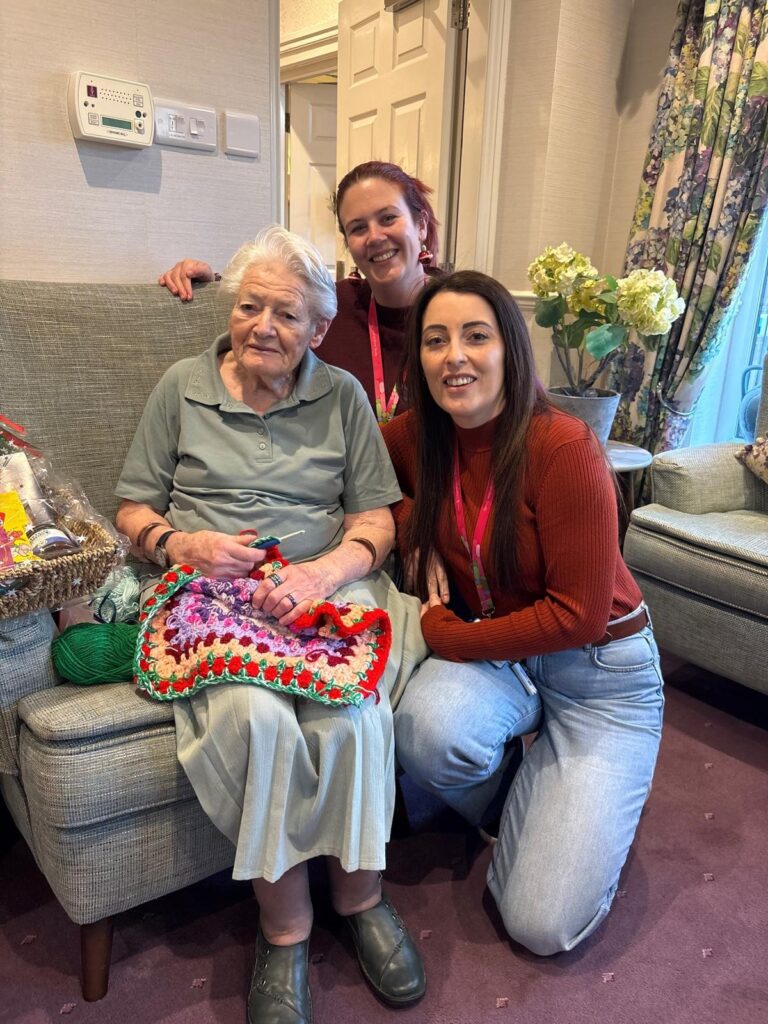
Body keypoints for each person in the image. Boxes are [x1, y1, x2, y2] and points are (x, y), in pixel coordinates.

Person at [115, 225, 428, 1024]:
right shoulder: (182, 385)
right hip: (209, 591)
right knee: (256, 718)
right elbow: (132, 509)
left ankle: (361, 900)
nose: (264, 326)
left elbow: (378, 520)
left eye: (286, 314)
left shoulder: (344, 397)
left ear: (318, 330)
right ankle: (284, 928)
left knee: (354, 712)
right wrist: (180, 542)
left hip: (322, 582)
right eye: (250, 306)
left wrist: (323, 571)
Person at [382, 270, 664, 957]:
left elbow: (579, 617)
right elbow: (369, 483)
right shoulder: (415, 436)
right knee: (424, 729)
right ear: (417, 358)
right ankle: (519, 788)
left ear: (509, 347)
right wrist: (413, 524)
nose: (455, 357)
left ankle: (577, 800)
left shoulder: (562, 446)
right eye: (436, 340)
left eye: (476, 337)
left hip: (602, 675)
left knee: (539, 925)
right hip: (505, 654)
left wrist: (443, 634)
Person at [157, 161, 440, 420]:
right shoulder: (332, 306)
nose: (375, 237)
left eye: (388, 218)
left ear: (421, 225)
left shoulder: (458, 311)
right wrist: (211, 281)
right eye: (358, 228)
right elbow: (275, 295)